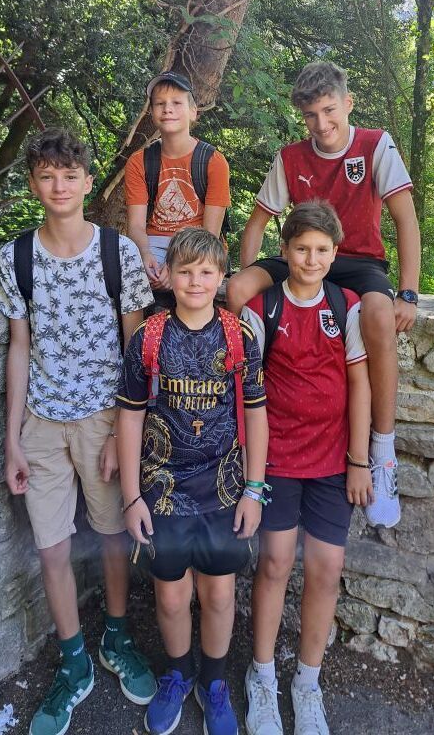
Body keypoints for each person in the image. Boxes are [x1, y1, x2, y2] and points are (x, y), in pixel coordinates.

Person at [0, 128, 156, 735]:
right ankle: (72, 662)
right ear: (33, 184)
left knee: (113, 535)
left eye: (69, 176)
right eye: (46, 176)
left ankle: (116, 637)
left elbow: (135, 348)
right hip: (41, 423)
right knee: (51, 547)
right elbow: (19, 348)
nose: (58, 186)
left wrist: (122, 434)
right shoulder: (16, 257)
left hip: (104, 419)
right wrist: (13, 438)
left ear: (89, 183)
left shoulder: (117, 253)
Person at [227, 61, 421, 529]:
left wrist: (408, 293)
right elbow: (257, 222)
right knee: (237, 290)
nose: (322, 123)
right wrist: (247, 271)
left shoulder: (375, 145)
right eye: (311, 115)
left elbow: (406, 220)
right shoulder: (291, 157)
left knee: (378, 314)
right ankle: (241, 409)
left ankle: (383, 450)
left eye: (329, 110)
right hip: (305, 254)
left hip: (358, 261)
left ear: (347, 103)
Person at [116, 227, 269, 735]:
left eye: (206, 272)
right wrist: (131, 497)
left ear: (221, 276)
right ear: (168, 275)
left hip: (224, 487)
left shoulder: (239, 336)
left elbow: (256, 414)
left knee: (220, 595)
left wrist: (254, 490)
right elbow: (130, 417)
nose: (196, 281)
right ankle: (178, 674)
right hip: (162, 488)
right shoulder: (149, 337)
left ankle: (214, 682)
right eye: (185, 272)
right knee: (170, 596)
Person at [241, 201, 373, 735]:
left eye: (321, 250)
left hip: (331, 462)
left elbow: (359, 384)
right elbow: (248, 392)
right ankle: (262, 675)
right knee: (274, 563)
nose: (311, 259)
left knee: (325, 569)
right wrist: (252, 473)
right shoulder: (263, 307)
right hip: (276, 459)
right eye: (301, 249)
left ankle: (307, 682)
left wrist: (359, 460)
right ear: (285, 250)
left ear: (335, 253)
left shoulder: (347, 306)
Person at [125, 71, 231, 295]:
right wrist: (145, 254)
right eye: (160, 103)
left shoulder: (213, 161)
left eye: (176, 102)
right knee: (128, 274)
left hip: (199, 243)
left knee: (190, 278)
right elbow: (135, 225)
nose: (167, 109)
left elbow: (210, 233)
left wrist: (175, 265)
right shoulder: (139, 161)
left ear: (193, 112)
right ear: (152, 112)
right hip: (153, 242)